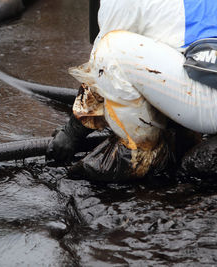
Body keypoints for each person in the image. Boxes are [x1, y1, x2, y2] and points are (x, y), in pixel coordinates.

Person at [47, 0, 217, 181]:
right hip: (209, 73)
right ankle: (182, 135)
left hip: (210, 102)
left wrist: (72, 132)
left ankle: (143, 154)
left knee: (110, 48)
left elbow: (103, 68)